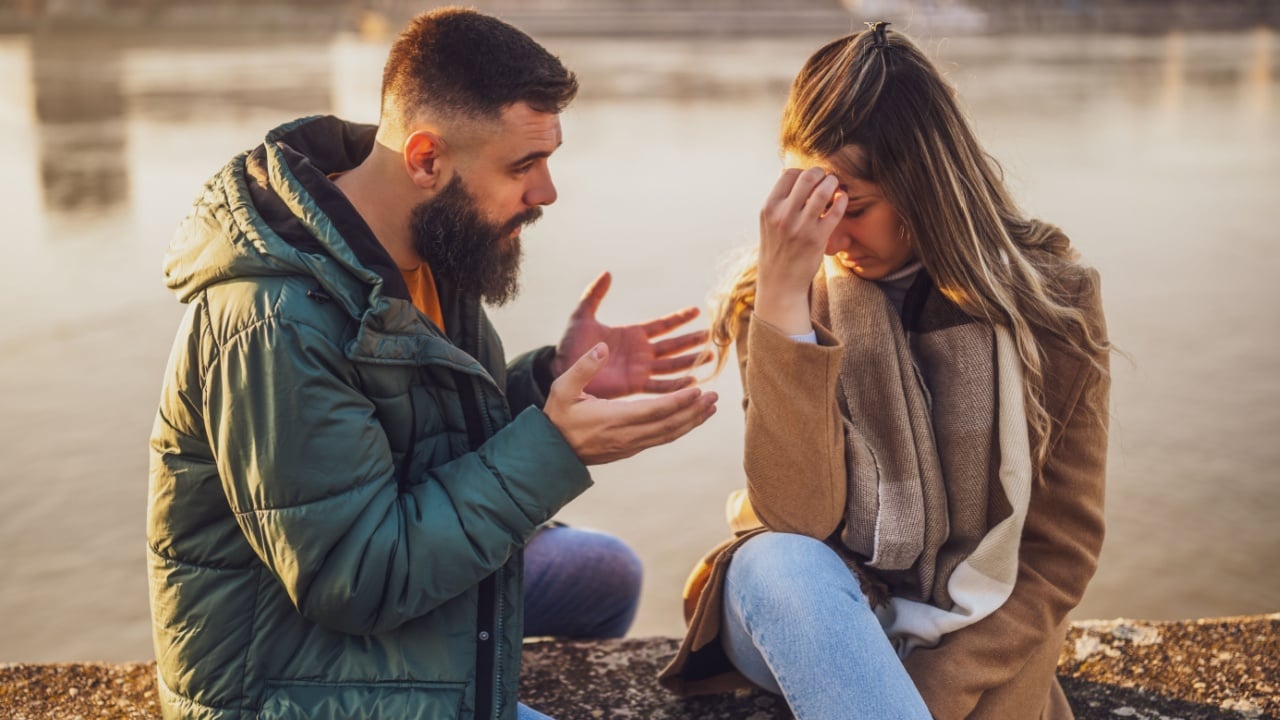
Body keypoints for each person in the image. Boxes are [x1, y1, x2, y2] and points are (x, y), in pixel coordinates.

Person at [147, 8, 718, 720]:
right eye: (523, 166)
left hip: (361, 586)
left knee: (601, 573)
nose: (546, 194)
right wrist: (552, 447)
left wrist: (546, 386)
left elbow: (427, 446)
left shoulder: (425, 251)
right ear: (425, 159)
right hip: (286, 677)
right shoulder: (274, 320)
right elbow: (355, 578)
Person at [659, 22, 1111, 720]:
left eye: (855, 207)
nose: (831, 238)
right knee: (780, 561)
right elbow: (796, 518)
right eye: (817, 205)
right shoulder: (779, 297)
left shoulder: (1053, 305)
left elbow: (1060, 552)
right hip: (806, 613)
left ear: (925, 185)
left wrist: (931, 692)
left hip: (970, 629)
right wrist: (783, 304)